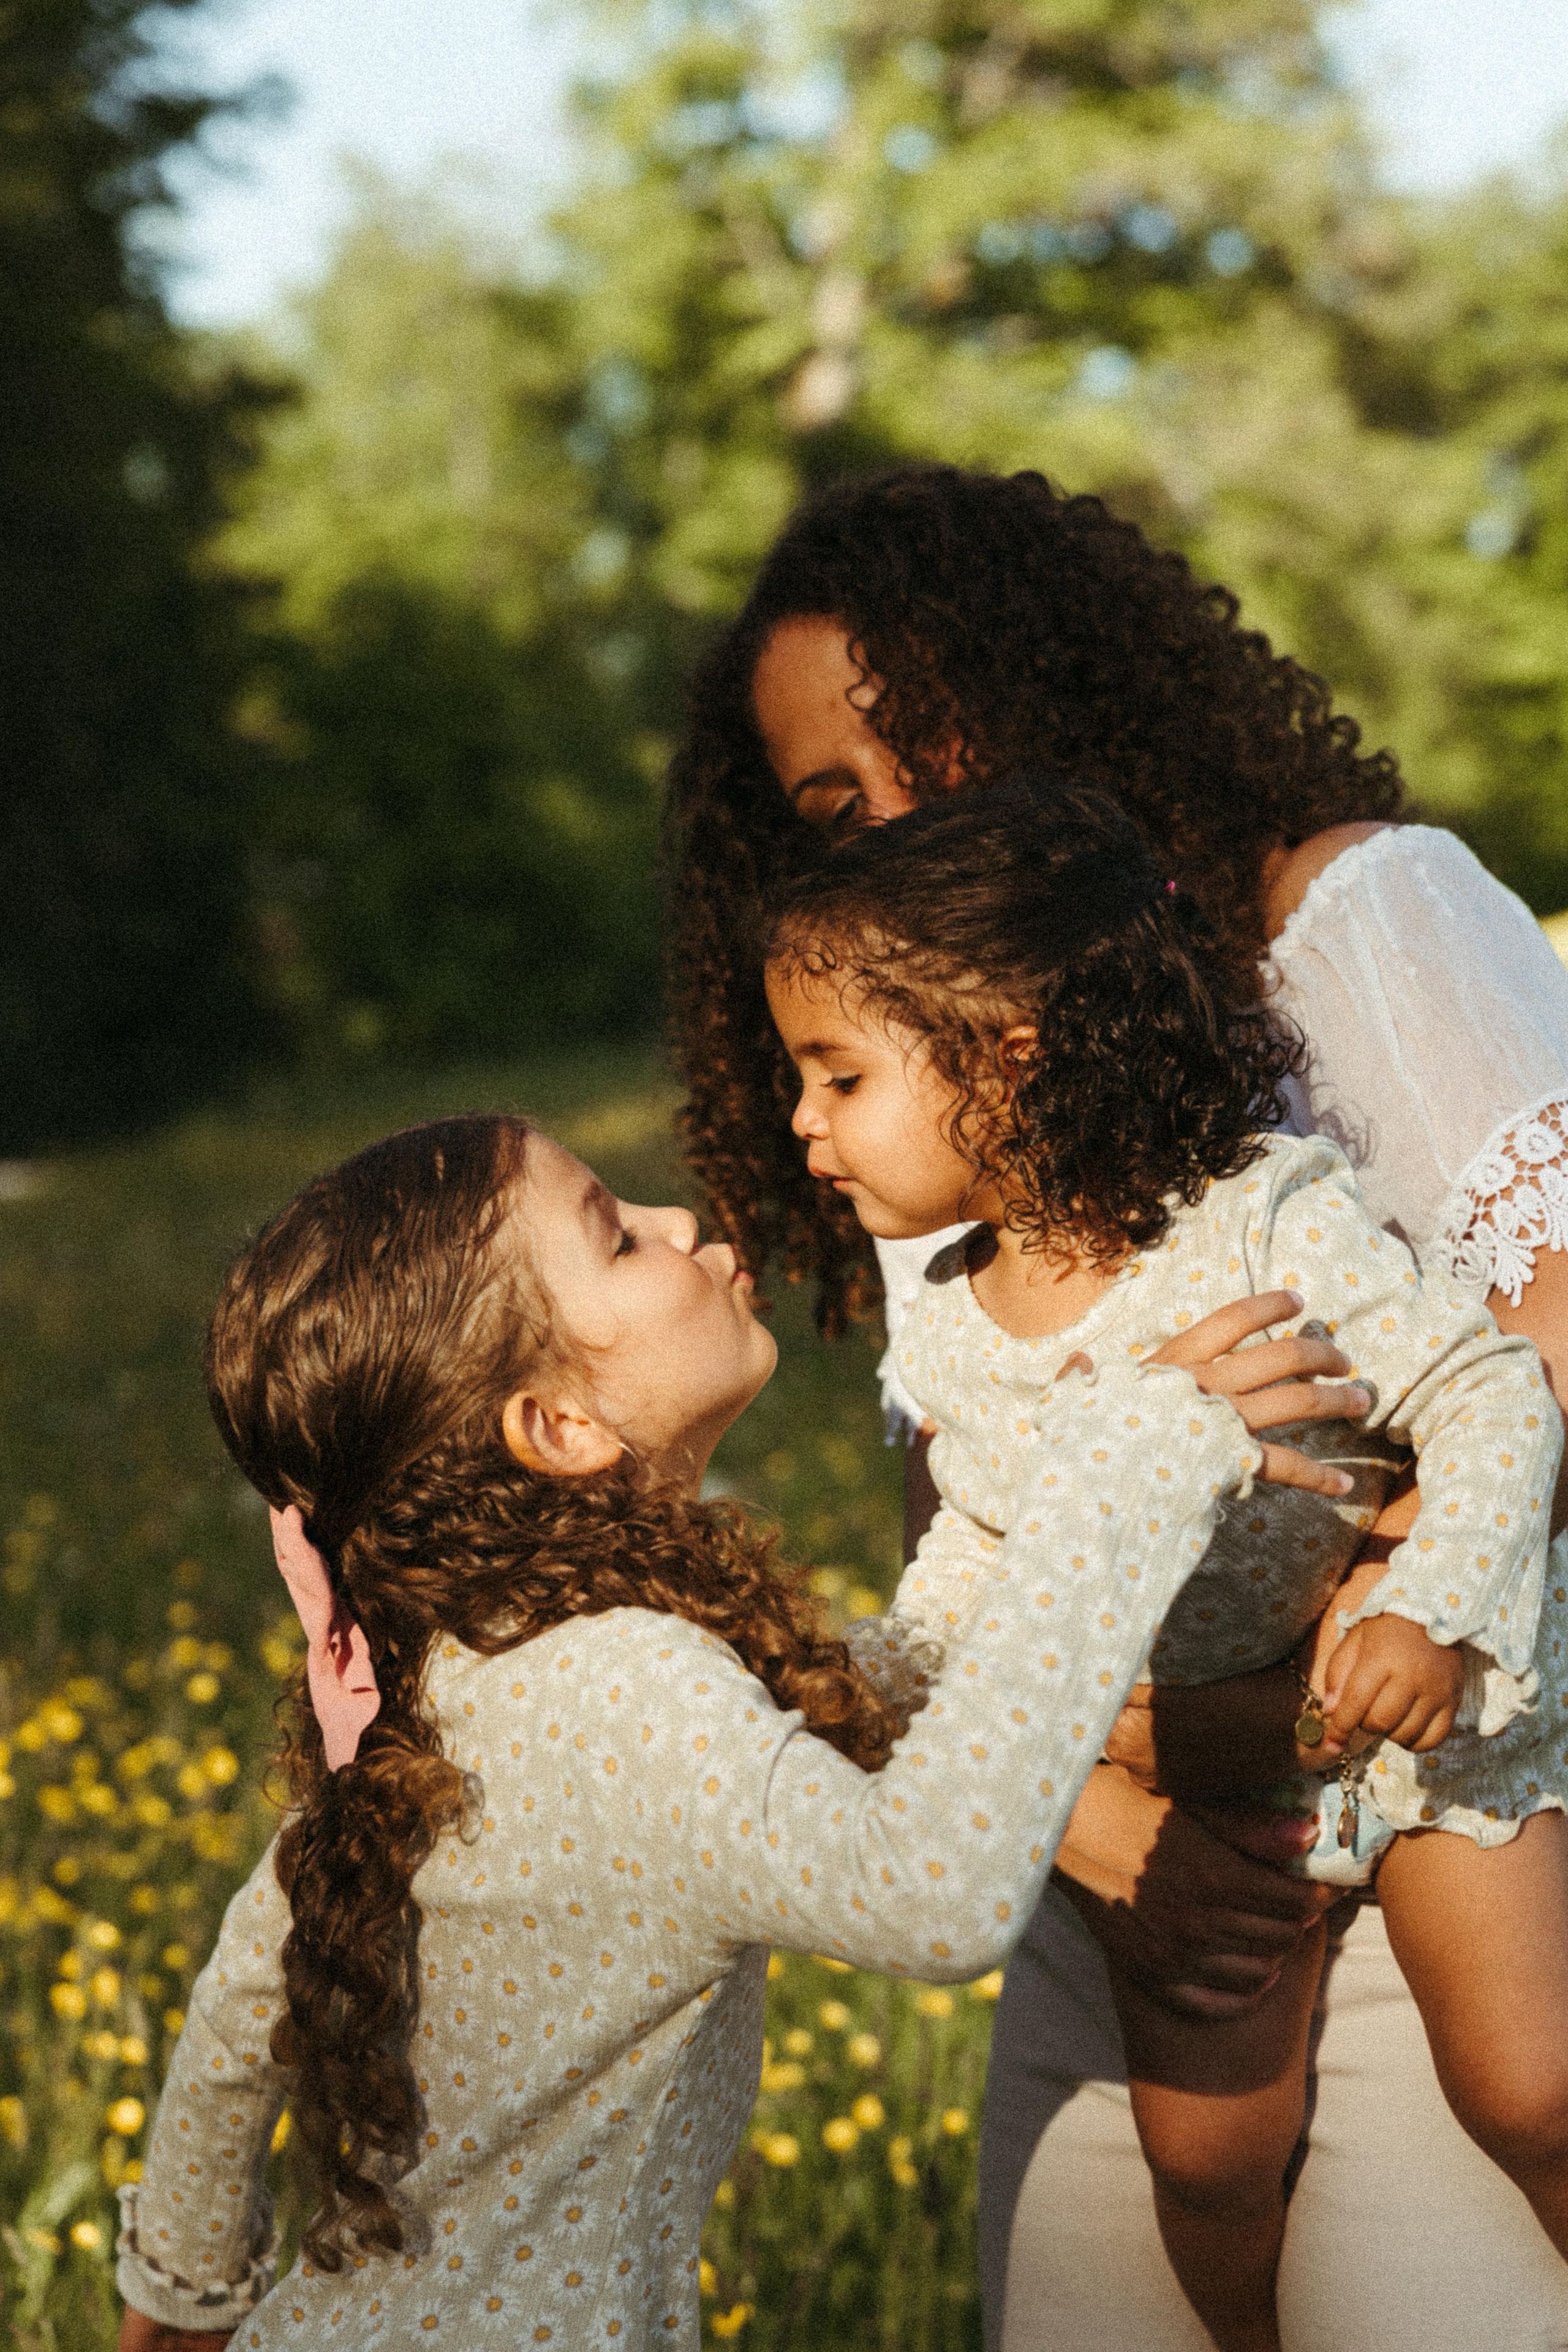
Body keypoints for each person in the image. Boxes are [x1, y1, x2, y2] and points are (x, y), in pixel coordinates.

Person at [665, 461, 1568, 2348]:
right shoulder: (951, 1146)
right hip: (1154, 1878)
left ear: (1063, 679)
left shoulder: (1352, 925)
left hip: (1442, 1798)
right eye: (840, 808)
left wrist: (1255, 1702)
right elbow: (970, 1586)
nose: (911, 814)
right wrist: (1102, 1831)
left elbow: (1541, 1364)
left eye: (934, 734)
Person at [115, 1111, 1276, 2351]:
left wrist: (176, 2315)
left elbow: (242, 2010)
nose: (677, 1223)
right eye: (615, 1236)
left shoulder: (468, 1664)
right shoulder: (618, 1684)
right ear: (557, 1428)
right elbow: (931, 1893)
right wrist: (1124, 1474)